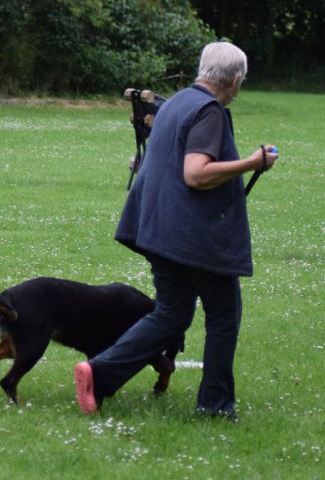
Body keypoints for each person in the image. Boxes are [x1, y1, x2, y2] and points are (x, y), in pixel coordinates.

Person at [74, 41, 278, 422]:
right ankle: (214, 407)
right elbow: (195, 173)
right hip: (191, 236)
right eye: (241, 82)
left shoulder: (177, 102)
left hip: (157, 228)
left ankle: (98, 372)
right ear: (234, 81)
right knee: (224, 315)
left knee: (171, 314)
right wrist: (251, 162)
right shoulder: (209, 112)